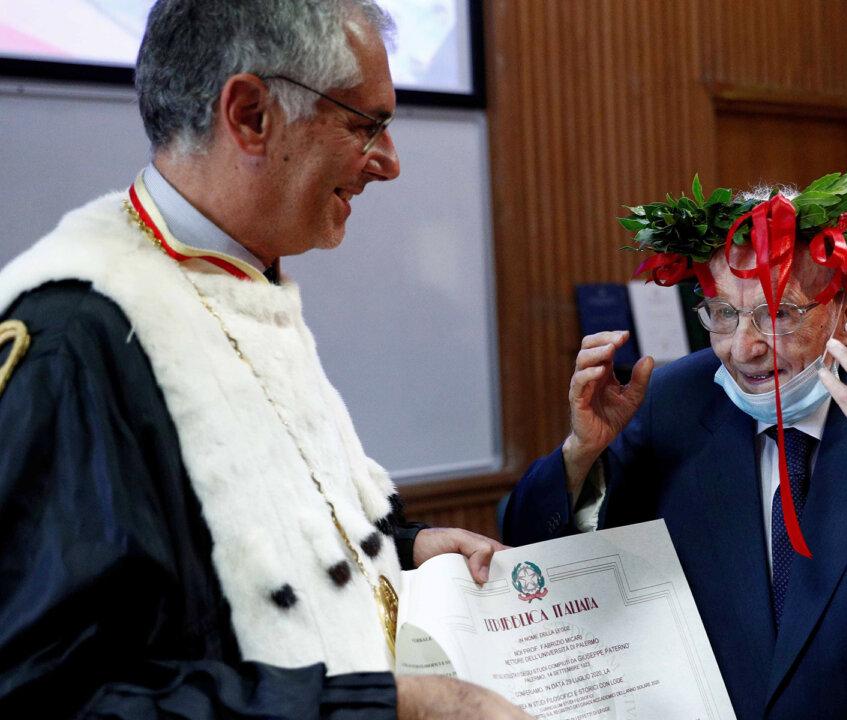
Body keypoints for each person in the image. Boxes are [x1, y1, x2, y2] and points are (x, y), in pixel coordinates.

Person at [0, 2, 529, 718]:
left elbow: (237, 554)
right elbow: (54, 696)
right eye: (365, 124)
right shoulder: (74, 335)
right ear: (251, 115)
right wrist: (394, 707)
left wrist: (405, 550)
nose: (389, 162)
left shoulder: (238, 276)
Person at [503, 159, 847, 719]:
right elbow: (529, 560)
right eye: (723, 313)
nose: (743, 348)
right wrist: (581, 454)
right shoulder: (672, 399)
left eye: (779, 315)